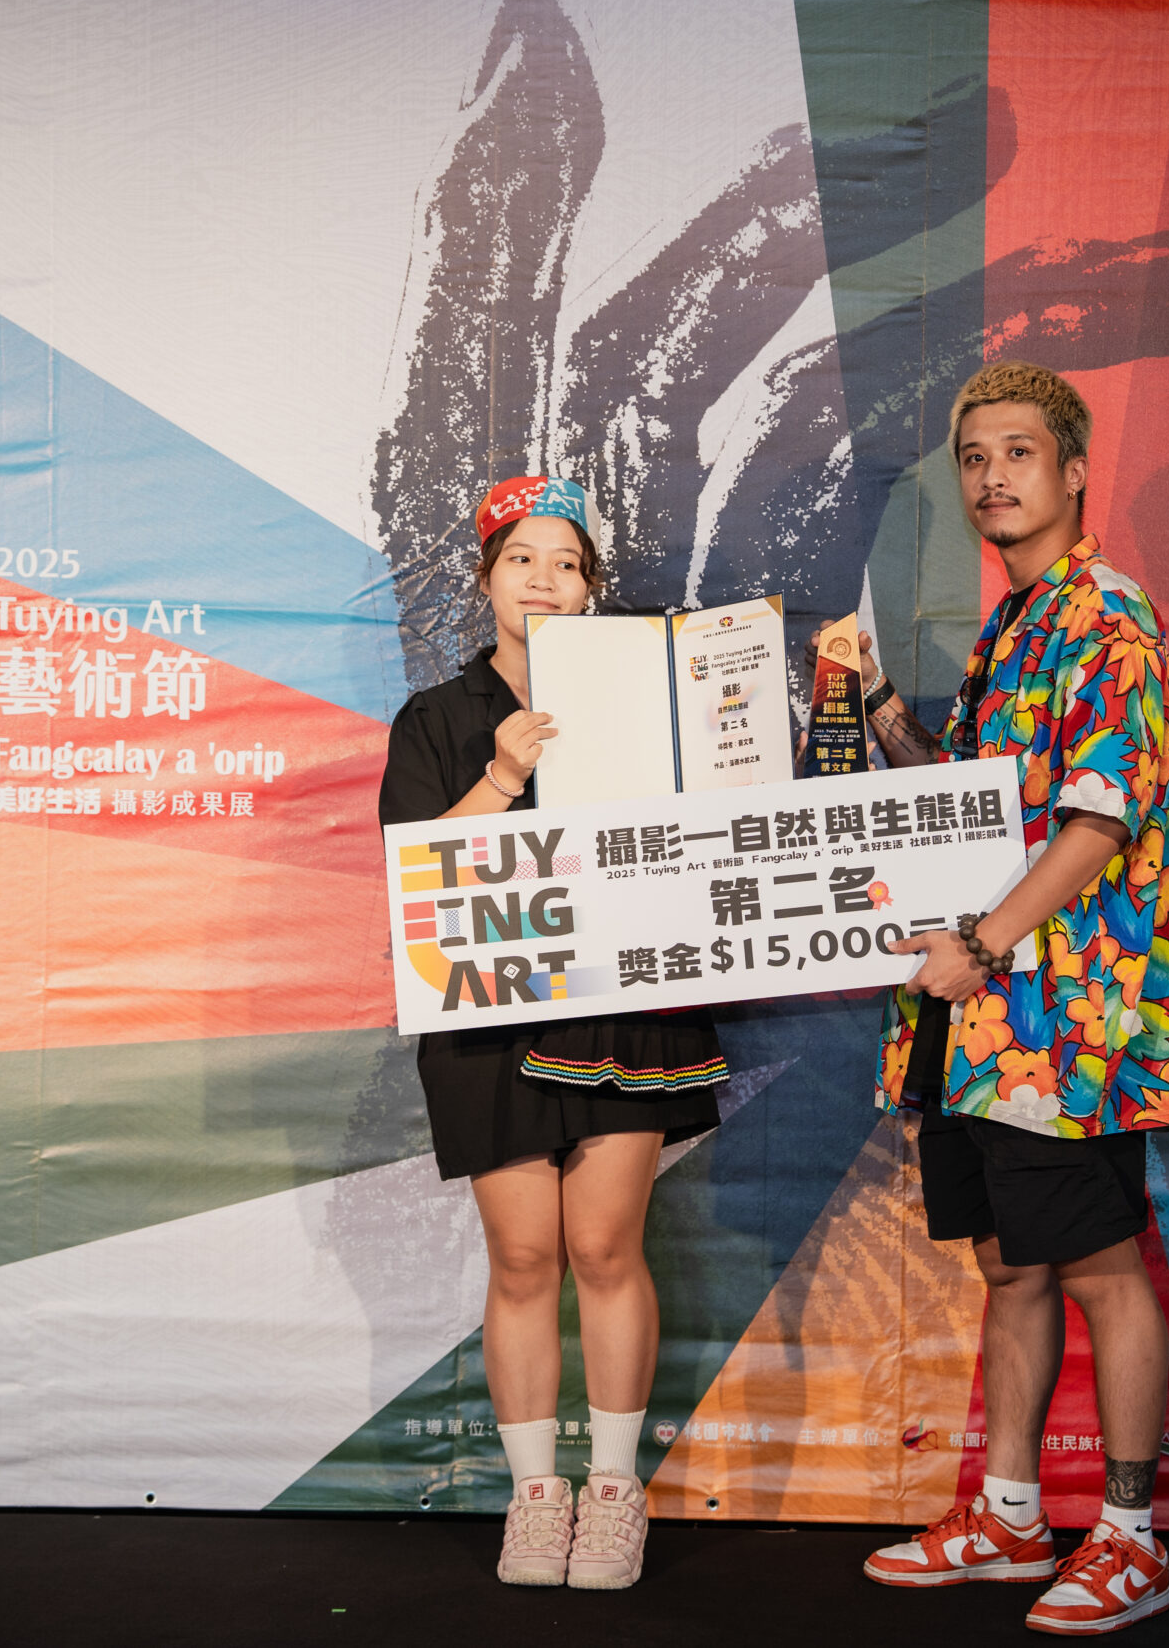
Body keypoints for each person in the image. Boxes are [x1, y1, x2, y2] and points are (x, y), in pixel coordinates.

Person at [850, 362, 1169, 1636]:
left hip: (1071, 1020)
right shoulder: (1013, 625)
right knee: (1009, 1265)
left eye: (1016, 452)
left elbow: (1098, 819)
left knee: (1102, 1268)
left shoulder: (1106, 616)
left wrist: (980, 945)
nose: (991, 477)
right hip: (983, 1022)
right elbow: (966, 804)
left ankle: (1130, 1539)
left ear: (1072, 471)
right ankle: (1009, 1517)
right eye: (973, 457)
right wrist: (874, 706)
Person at [377, 476, 730, 1592]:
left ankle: (614, 1490)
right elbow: (413, 876)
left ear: (590, 588)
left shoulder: (645, 702)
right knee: (524, 1256)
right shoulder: (436, 718)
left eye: (567, 563)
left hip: (624, 1005)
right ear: (485, 579)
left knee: (605, 1246)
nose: (544, 579)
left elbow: (715, 830)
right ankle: (536, 1496)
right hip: (490, 1017)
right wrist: (504, 774)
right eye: (521, 558)